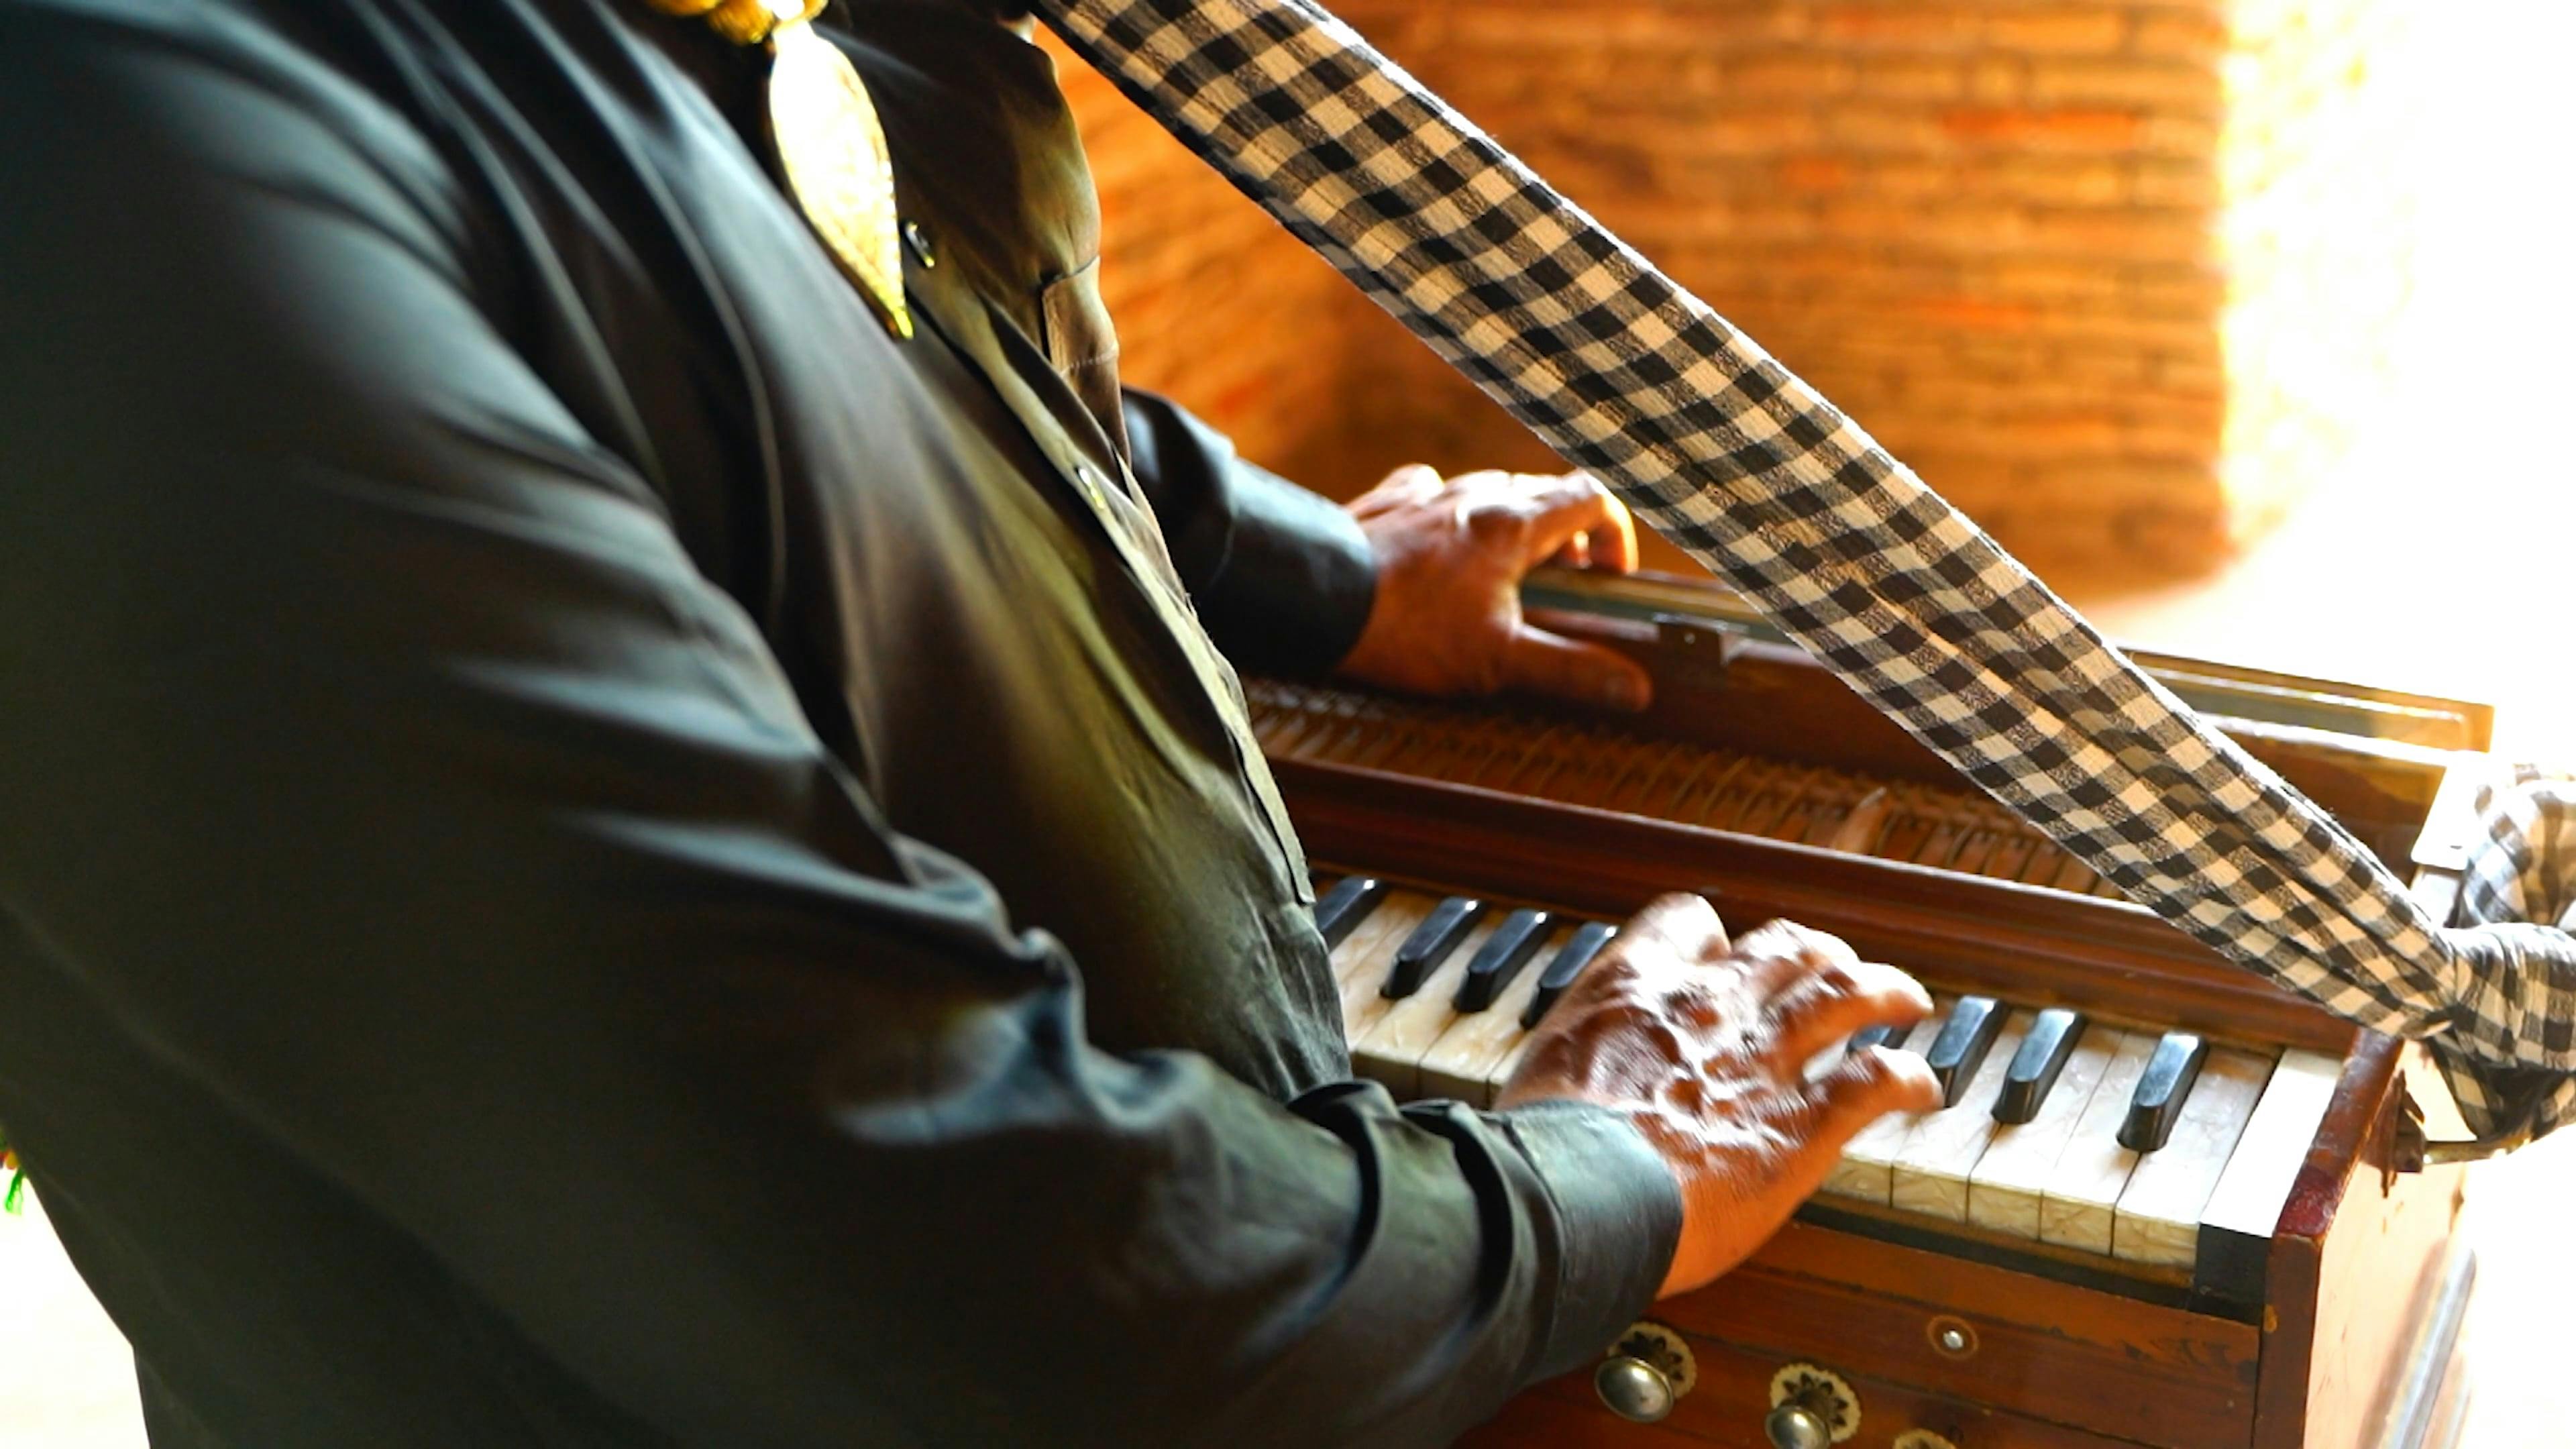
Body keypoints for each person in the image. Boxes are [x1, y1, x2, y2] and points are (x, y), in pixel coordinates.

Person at [0, 0, 1941, 1444]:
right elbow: (925, 1250)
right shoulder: (122, 144)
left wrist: (1326, 572)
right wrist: (1595, 1180)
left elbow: (868, 323)